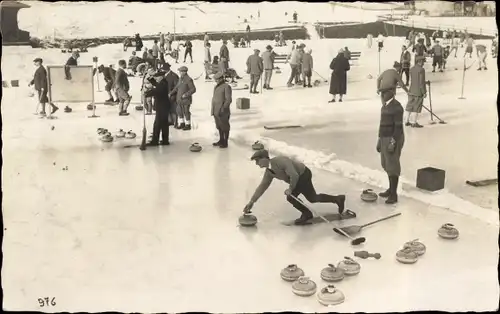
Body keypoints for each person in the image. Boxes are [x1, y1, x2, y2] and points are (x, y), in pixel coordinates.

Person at [244, 150, 346, 225]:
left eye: (258, 160)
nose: (257, 164)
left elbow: (294, 175)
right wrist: (251, 202)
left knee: (291, 196)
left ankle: (307, 214)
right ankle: (338, 199)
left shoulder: (280, 161)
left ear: (265, 158)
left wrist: (290, 189)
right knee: (313, 198)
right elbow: (262, 187)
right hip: (298, 178)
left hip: (303, 174)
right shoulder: (269, 172)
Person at [376, 89, 404, 204]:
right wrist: (379, 140)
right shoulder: (385, 106)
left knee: (392, 165)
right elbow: (381, 125)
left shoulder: (396, 107)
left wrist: (393, 143)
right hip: (384, 137)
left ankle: (394, 194)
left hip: (393, 137)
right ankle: (390, 189)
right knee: (386, 164)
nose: (381, 97)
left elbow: (398, 127)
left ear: (389, 95)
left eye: (383, 94)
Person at [144, 69, 172, 146]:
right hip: (164, 106)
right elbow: (156, 84)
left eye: (157, 76)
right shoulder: (162, 82)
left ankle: (155, 141)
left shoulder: (162, 84)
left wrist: (146, 93)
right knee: (163, 124)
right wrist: (150, 77)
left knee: (157, 124)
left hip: (162, 106)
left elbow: (156, 91)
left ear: (162, 77)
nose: (156, 78)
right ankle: (165, 140)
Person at [169, 66, 196, 130]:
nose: (179, 72)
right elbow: (176, 88)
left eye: (181, 71)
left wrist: (186, 95)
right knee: (179, 111)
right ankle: (182, 123)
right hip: (179, 99)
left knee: (186, 112)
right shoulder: (180, 78)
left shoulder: (189, 79)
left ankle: (188, 125)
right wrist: (171, 93)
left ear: (184, 72)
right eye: (180, 71)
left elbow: (193, 89)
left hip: (186, 100)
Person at [211, 72, 232, 149]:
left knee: (225, 126)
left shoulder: (226, 87)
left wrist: (223, 108)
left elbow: (228, 99)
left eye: (217, 79)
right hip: (216, 110)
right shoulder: (216, 87)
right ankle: (221, 140)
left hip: (223, 111)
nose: (216, 81)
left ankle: (225, 142)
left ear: (221, 79)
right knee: (219, 126)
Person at [405, 56, 426, 128]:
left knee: (409, 106)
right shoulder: (421, 70)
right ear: (420, 61)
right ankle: (414, 122)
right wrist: (424, 92)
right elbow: (421, 82)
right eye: (423, 61)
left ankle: (406, 121)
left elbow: (414, 79)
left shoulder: (412, 69)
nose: (424, 63)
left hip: (411, 90)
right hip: (418, 91)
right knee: (416, 107)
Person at [158, 63, 179, 128]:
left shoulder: (174, 75)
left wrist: (171, 93)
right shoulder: (164, 75)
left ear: (166, 69)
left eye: (163, 69)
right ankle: (170, 121)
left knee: (173, 109)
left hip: (172, 96)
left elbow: (176, 87)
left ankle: (175, 122)